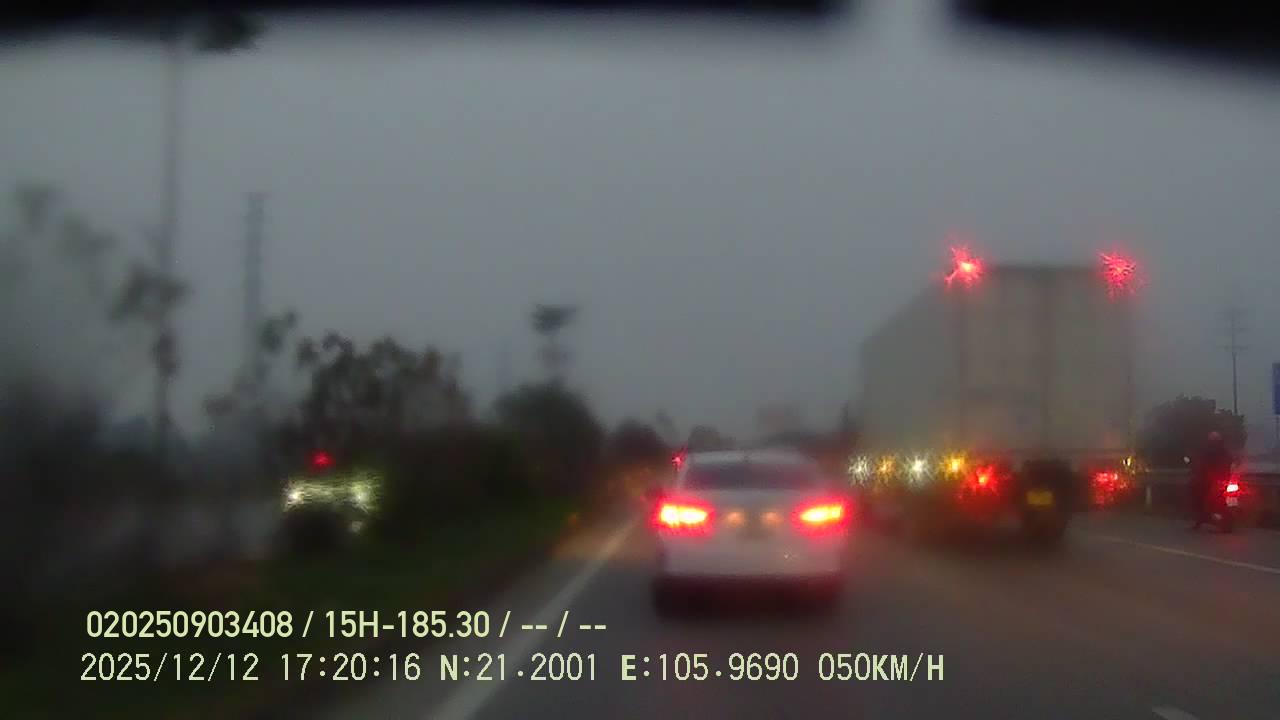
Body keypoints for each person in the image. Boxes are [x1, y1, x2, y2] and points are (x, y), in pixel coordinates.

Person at [1189, 431, 1234, 530]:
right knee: (1197, 492)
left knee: (1197, 491)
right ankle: (1203, 517)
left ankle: (1204, 517)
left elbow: (1202, 464)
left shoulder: (1211, 451)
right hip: (1220, 479)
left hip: (1215, 480)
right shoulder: (1222, 451)